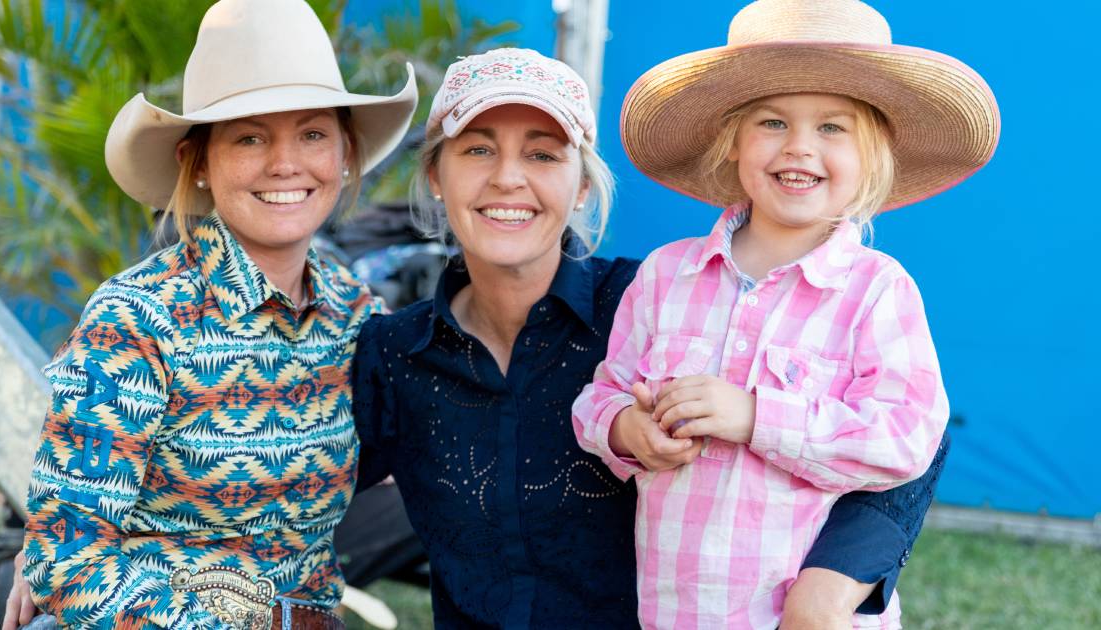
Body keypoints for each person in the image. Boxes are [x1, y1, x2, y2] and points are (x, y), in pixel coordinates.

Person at [353, 46, 952, 629]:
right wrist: (623, 428)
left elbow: (916, 442)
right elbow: (293, 493)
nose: (508, 178)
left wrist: (831, 582)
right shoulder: (393, 354)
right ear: (435, 174)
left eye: (543, 155)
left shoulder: (650, 292)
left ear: (582, 185)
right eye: (478, 150)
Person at [571, 0, 999, 627]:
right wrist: (625, 432)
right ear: (732, 144)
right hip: (678, 610)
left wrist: (755, 415)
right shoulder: (666, 275)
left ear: (870, 158)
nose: (799, 147)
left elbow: (906, 438)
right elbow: (602, 395)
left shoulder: (877, 290)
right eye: (772, 122)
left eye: (833, 128)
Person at [7, 0, 417, 628]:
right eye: (250, 136)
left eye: (312, 133)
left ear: (344, 154)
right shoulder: (138, 318)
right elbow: (67, 560)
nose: (286, 164)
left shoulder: (357, 316)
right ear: (198, 163)